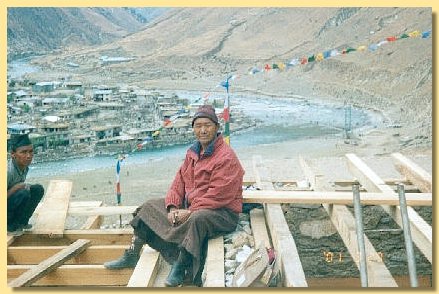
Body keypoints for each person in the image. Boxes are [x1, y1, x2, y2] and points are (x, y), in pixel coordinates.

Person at [104, 104, 245, 287]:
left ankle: (181, 266)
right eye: (198, 126)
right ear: (193, 128)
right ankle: (132, 253)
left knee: (198, 219)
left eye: (207, 125)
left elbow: (219, 194)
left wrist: (190, 211)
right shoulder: (193, 153)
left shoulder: (226, 156)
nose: (203, 130)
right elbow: (179, 183)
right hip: (192, 207)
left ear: (216, 128)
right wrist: (172, 207)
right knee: (148, 207)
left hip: (221, 212)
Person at [7, 134, 45, 236]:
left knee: (37, 189)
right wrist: (15, 188)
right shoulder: (8, 171)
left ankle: (21, 223)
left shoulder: (23, 167)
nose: (28, 156)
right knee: (23, 193)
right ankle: (9, 227)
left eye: (30, 151)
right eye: (23, 152)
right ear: (13, 154)